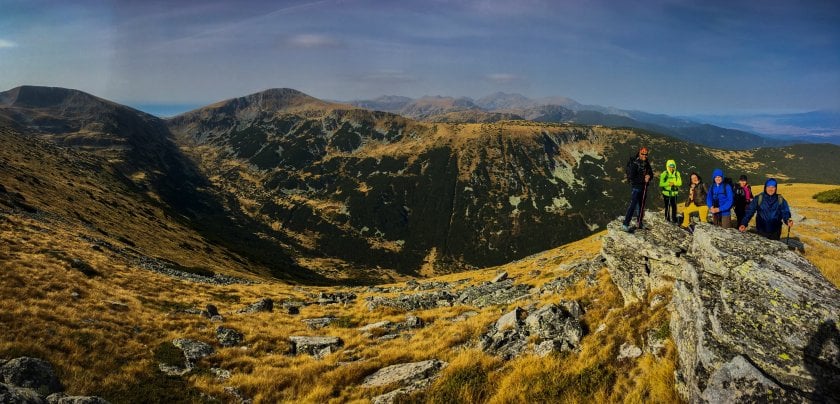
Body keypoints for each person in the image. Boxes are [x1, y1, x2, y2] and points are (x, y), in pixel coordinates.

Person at [622, 146, 653, 231]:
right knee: (633, 205)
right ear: (639, 153)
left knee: (641, 206)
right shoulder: (635, 164)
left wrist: (649, 176)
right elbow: (632, 177)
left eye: (646, 154)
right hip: (636, 188)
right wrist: (644, 179)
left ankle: (639, 223)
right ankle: (625, 224)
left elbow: (651, 174)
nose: (644, 156)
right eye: (643, 154)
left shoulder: (647, 164)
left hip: (643, 188)